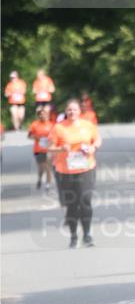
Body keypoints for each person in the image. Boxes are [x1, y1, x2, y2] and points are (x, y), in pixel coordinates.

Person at [48, 98, 101, 248]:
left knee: (85, 200)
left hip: (86, 168)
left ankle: (87, 235)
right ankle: (73, 236)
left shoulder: (88, 125)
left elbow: (97, 140)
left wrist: (93, 148)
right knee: (72, 204)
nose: (72, 112)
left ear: (79, 112)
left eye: (75, 110)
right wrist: (61, 149)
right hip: (66, 170)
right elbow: (50, 148)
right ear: (66, 111)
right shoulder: (59, 128)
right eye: (69, 110)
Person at [28, 104, 56, 191]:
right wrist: (36, 138)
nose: (42, 115)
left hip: (49, 149)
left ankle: (48, 184)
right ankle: (39, 179)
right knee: (41, 168)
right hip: (38, 149)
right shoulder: (34, 125)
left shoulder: (52, 124)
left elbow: (56, 136)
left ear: (47, 114)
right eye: (40, 114)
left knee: (48, 167)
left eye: (44, 113)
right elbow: (29, 136)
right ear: (38, 115)